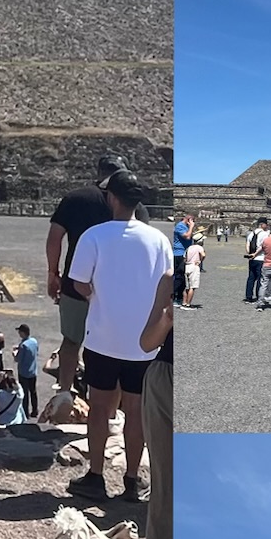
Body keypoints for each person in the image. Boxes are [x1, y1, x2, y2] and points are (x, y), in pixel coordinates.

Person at [66, 170, 173, 503]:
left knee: (100, 408)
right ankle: (131, 479)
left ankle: (96, 476)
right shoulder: (159, 240)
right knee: (136, 410)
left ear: (111, 198)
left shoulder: (94, 236)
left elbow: (79, 283)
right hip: (143, 342)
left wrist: (98, 293)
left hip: (102, 337)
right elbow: (166, 285)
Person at [46, 155, 144, 394]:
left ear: (99, 171)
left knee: (71, 340)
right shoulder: (136, 207)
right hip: (117, 289)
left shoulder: (75, 198)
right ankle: (110, 404)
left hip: (76, 282)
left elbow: (54, 238)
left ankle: (65, 392)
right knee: (114, 346)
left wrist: (53, 273)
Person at [137, 268, 173, 539]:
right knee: (166, 492)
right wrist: (167, 318)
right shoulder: (169, 278)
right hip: (167, 381)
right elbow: (147, 342)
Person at [14, 324, 40, 417]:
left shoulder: (23, 345)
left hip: (24, 372)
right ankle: (35, 410)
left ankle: (25, 412)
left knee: (24, 393)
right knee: (33, 392)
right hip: (33, 371)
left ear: (23, 333)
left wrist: (15, 353)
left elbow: (18, 359)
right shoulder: (34, 341)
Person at [243, 220, 266, 303]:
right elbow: (263, 246)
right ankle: (258, 296)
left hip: (251, 259)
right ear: (262, 224)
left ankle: (248, 297)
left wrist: (249, 254)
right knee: (260, 278)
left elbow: (247, 244)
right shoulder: (264, 234)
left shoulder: (251, 233)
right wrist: (255, 254)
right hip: (260, 258)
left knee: (251, 278)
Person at [180, 231, 205, 307]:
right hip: (194, 266)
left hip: (187, 266)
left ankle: (184, 302)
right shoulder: (200, 248)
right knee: (192, 287)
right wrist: (200, 261)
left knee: (186, 287)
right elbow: (203, 255)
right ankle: (188, 304)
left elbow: (184, 258)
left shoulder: (189, 248)